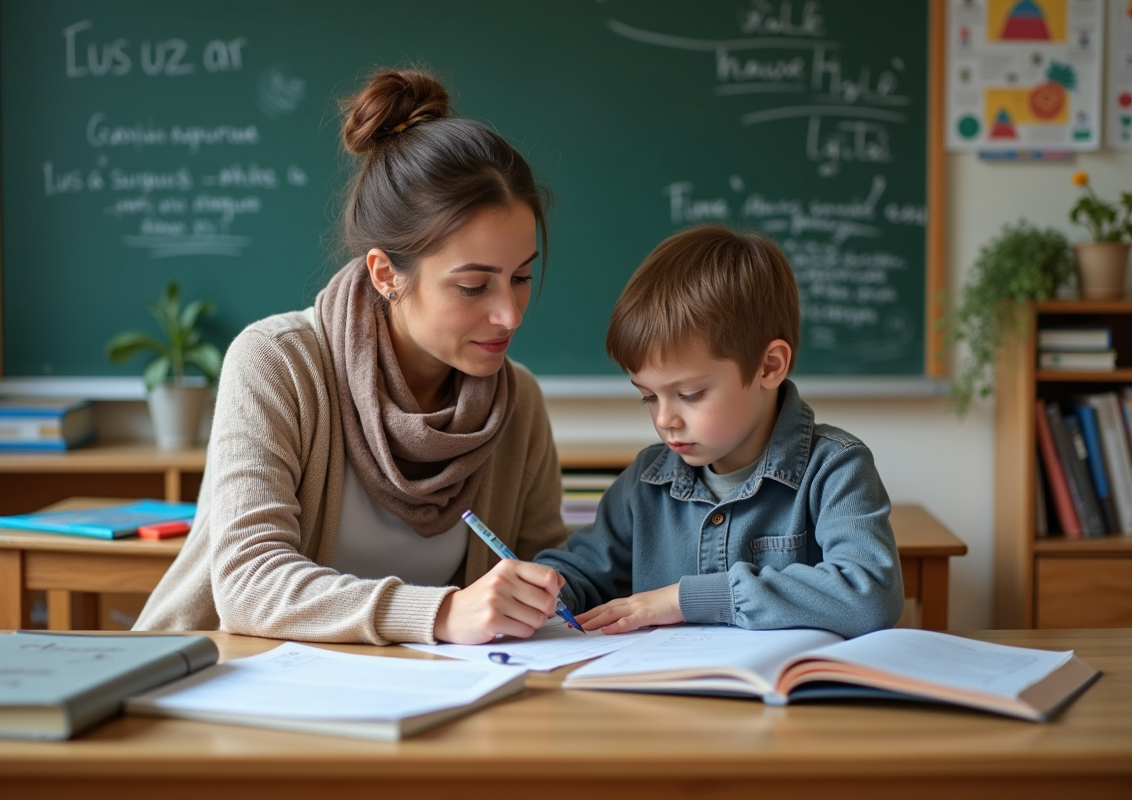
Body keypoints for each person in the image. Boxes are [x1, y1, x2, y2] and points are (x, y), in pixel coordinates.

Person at [135, 68, 570, 645]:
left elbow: (549, 566)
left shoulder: (517, 404)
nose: (510, 315)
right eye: (473, 287)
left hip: (434, 703)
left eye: (520, 278)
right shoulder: (276, 364)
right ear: (387, 274)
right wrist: (441, 614)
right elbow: (247, 583)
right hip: (244, 692)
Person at [534, 226, 904, 639]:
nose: (664, 420)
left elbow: (871, 594)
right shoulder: (645, 481)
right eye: (649, 398)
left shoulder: (836, 468)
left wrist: (685, 599)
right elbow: (580, 571)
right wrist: (539, 590)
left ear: (769, 367)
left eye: (690, 394)